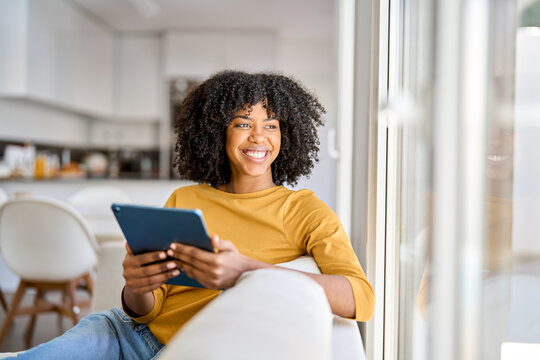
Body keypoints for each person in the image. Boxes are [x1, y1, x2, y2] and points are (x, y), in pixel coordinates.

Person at [11, 70, 375, 359]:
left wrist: (245, 270)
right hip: (121, 333)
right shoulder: (184, 197)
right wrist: (137, 287)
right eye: (243, 123)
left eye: (271, 125)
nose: (258, 137)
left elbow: (361, 299)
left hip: (187, 349)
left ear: (287, 135)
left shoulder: (306, 210)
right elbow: (147, 311)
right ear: (220, 133)